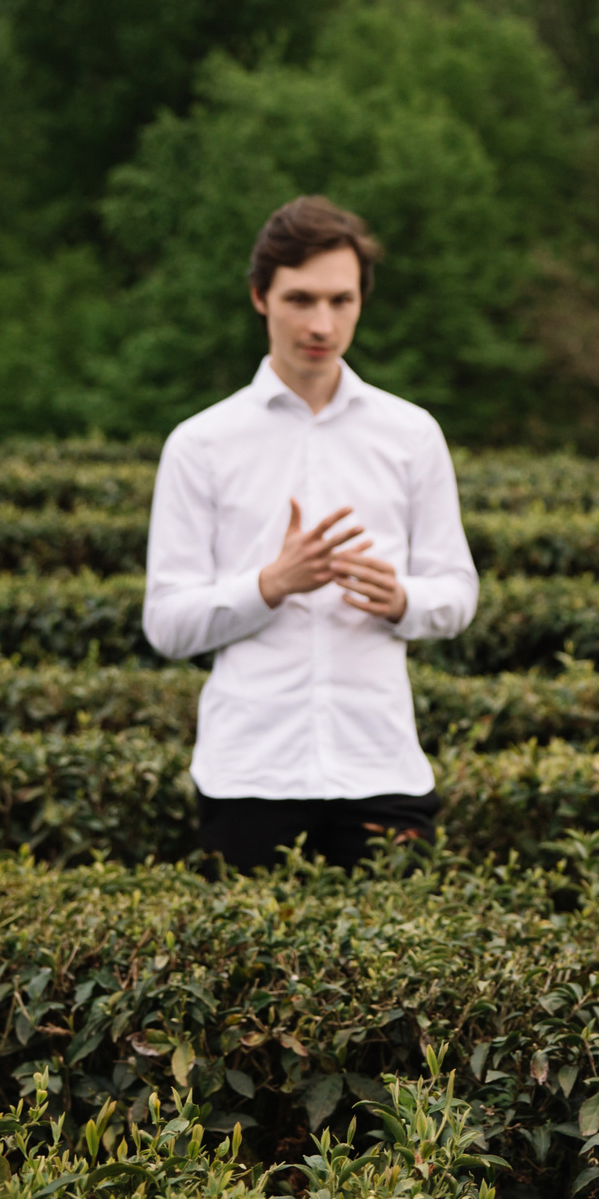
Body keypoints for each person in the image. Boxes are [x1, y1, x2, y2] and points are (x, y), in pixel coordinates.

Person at [143, 195, 479, 872]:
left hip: (381, 767)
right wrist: (270, 585)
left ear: (361, 301)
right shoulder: (200, 443)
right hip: (248, 775)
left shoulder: (412, 435)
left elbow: (458, 593)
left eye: (341, 300)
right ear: (260, 296)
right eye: (300, 299)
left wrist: (402, 599)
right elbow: (166, 623)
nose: (321, 322)